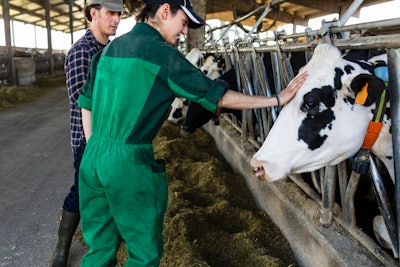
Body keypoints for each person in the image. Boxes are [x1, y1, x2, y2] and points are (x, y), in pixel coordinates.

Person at [77, 0, 308, 266]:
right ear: (165, 11)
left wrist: (94, 146)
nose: (184, 32)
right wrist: (276, 100)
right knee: (143, 252)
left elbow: (86, 103)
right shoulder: (162, 54)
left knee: (100, 247)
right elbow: (217, 96)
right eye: (183, 22)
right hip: (127, 161)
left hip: (93, 156)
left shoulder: (108, 51)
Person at [51, 1, 124, 266]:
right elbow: (80, 98)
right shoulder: (83, 52)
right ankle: (62, 248)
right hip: (88, 139)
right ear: (94, 13)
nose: (116, 19)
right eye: (110, 13)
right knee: (81, 192)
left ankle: (107, 242)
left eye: (119, 14)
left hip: (111, 137)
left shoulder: (110, 50)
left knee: (108, 190)